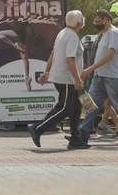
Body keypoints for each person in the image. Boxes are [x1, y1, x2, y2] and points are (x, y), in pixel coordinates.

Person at [29, 10, 87, 149]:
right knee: (66, 108)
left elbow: (53, 53)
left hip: (64, 77)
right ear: (79, 23)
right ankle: (38, 128)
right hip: (66, 78)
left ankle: (76, 139)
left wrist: (46, 71)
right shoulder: (71, 36)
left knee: (76, 108)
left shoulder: (63, 33)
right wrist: (77, 79)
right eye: (82, 19)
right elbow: (70, 59)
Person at [75, 10, 118, 144]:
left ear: (106, 19)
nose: (96, 24)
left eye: (98, 22)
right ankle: (83, 133)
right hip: (99, 77)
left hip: (111, 77)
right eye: (95, 22)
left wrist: (90, 68)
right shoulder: (103, 34)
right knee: (89, 104)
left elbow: (110, 55)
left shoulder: (113, 33)